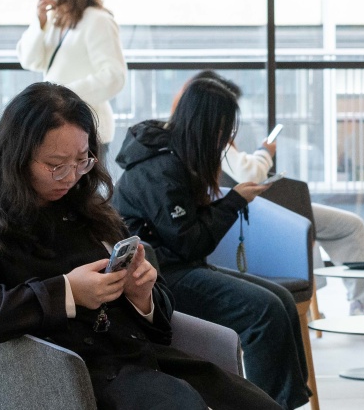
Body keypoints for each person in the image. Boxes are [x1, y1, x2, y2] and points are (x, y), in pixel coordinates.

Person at [0, 82, 278, 410]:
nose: (71, 177)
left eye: (82, 161)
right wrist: (69, 291)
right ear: (15, 158)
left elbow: (160, 325)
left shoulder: (91, 212)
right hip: (76, 379)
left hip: (143, 360)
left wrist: (142, 295)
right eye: (55, 165)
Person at [112, 77, 311, 409]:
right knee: (263, 310)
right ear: (206, 125)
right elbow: (190, 243)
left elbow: (186, 237)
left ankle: (286, 402)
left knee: (281, 300)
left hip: (178, 264)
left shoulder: (176, 155)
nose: (227, 138)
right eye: (223, 129)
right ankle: (274, 405)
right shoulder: (160, 168)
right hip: (158, 276)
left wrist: (233, 199)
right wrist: (233, 201)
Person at [180, 71, 364, 316]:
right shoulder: (210, 141)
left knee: (340, 225)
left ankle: (350, 303)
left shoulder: (197, 140)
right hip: (260, 210)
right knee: (320, 224)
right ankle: (345, 305)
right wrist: (265, 152)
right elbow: (249, 173)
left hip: (263, 207)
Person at [17, 0, 127, 144]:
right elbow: (29, 60)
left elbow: (114, 76)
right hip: (57, 123)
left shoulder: (98, 20)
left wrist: (64, 97)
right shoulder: (56, 21)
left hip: (87, 127)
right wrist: (39, 23)